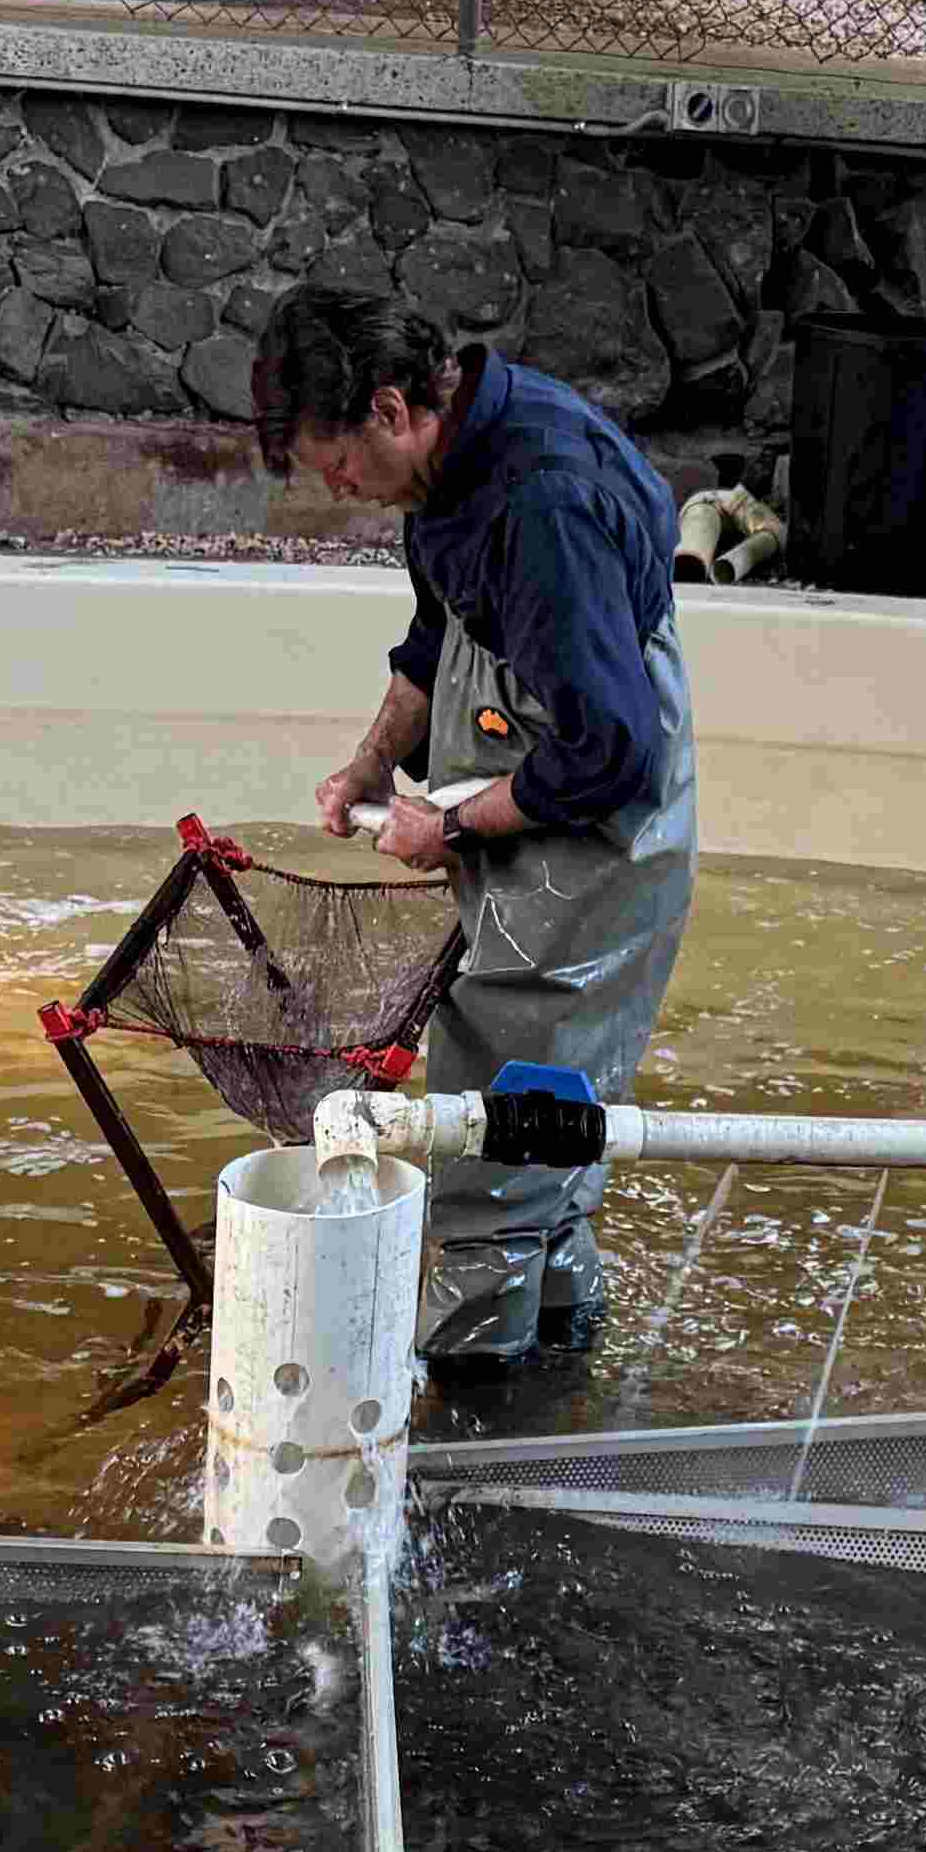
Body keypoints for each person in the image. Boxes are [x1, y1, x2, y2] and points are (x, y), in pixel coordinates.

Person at [252, 279, 698, 1383]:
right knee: (541, 1149)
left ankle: (472, 1428)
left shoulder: (539, 502)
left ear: (393, 407)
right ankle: (561, 1381)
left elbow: (608, 753)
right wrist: (374, 759)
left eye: (337, 460)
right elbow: (435, 633)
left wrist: (451, 825)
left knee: (494, 1150)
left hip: (589, 830)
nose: (338, 487)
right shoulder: (452, 468)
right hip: (535, 783)